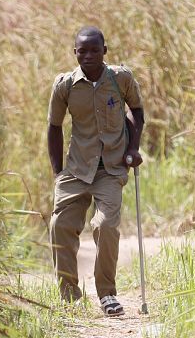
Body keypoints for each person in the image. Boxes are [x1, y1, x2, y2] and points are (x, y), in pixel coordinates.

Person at [46, 26, 145, 316]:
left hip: (111, 169)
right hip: (76, 169)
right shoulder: (64, 85)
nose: (88, 55)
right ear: (74, 52)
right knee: (59, 227)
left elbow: (136, 111)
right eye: (82, 51)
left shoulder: (121, 78)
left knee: (104, 226)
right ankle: (69, 298)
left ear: (105, 51)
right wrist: (57, 173)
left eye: (94, 50)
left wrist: (133, 149)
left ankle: (107, 294)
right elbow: (53, 127)